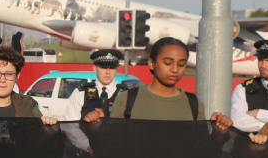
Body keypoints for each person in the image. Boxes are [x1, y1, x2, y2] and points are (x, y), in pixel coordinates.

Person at [91, 38, 231, 127]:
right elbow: (112, 149)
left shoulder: (193, 104)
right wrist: (97, 127)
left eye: (181, 64)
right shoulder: (127, 100)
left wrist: (219, 132)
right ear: (152, 63)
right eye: (168, 63)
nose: (175, 69)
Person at [64, 49, 134, 122]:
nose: (108, 72)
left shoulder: (127, 94)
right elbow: (71, 126)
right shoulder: (81, 92)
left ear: (116, 69)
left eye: (112, 68)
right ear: (94, 68)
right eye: (103, 67)